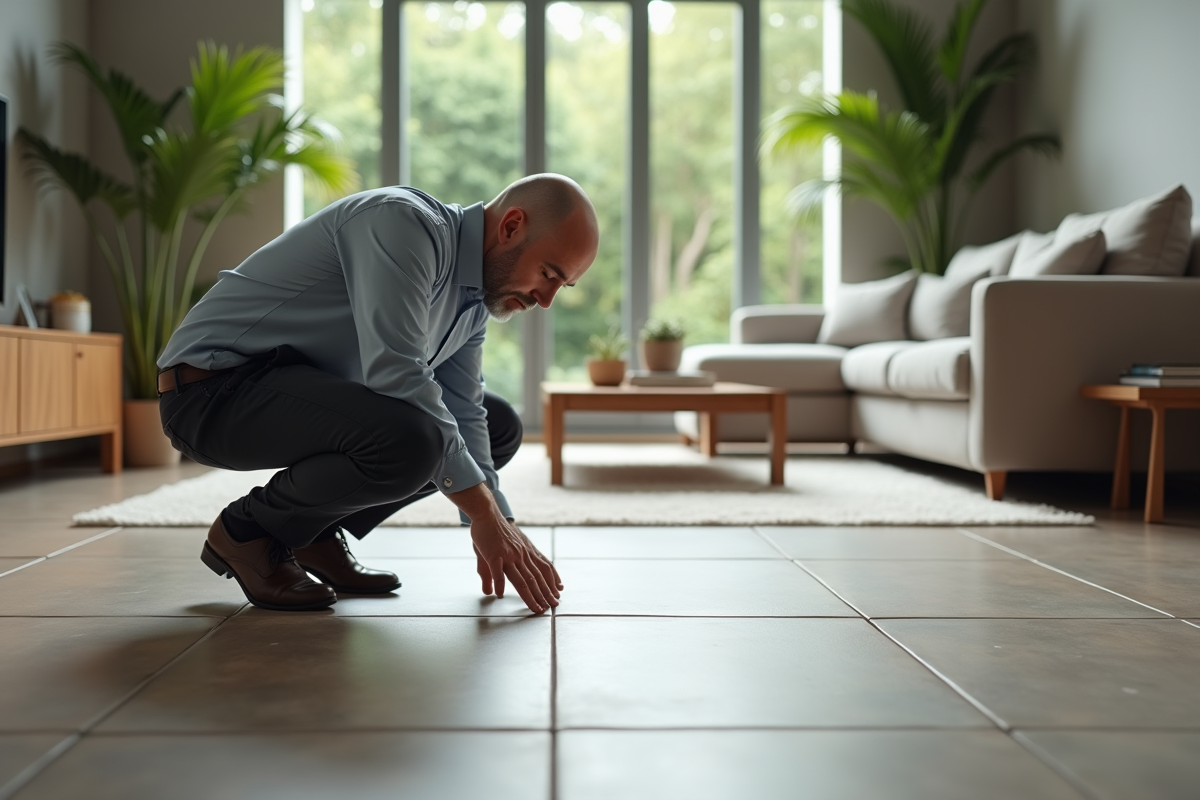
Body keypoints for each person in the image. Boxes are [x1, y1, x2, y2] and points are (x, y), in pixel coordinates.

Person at [156, 173, 599, 615]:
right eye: (548, 274)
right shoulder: (403, 223)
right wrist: (482, 512)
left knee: (498, 425)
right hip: (212, 391)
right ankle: (247, 532)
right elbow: (396, 372)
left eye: (563, 286)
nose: (546, 300)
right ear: (511, 226)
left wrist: (501, 523)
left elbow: (464, 409)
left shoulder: (472, 303)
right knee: (413, 438)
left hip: (293, 390)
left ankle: (312, 532)